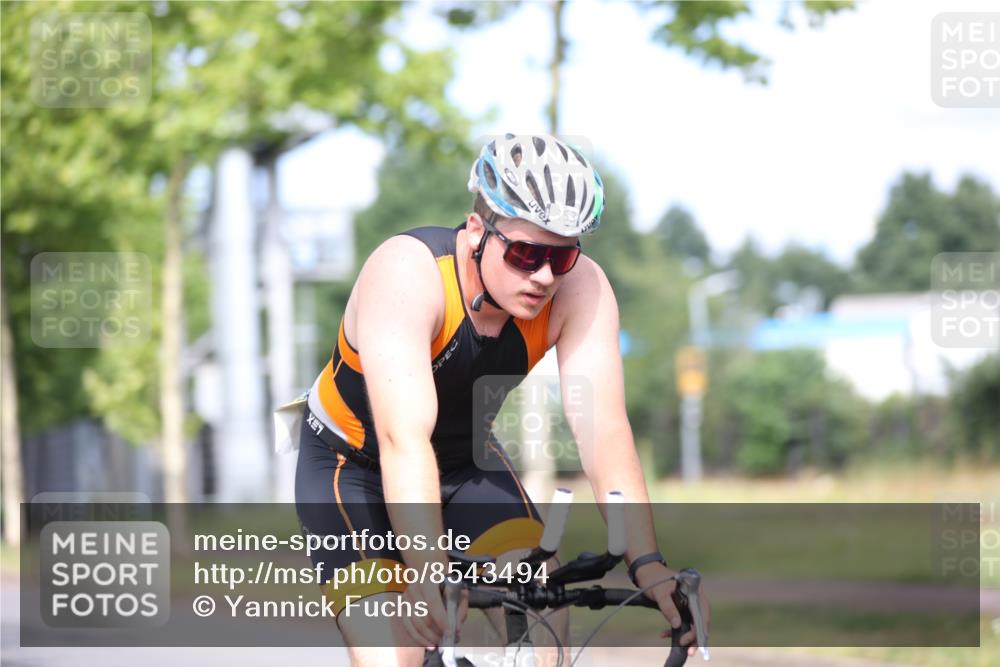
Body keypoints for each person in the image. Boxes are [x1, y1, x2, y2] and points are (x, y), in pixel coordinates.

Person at [292, 133, 710, 666]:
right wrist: (428, 572)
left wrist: (647, 564)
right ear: (476, 232)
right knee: (397, 651)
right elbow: (404, 439)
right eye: (525, 253)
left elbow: (603, 430)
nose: (544, 276)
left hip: (465, 462)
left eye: (561, 256)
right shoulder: (406, 274)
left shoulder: (581, 289)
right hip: (352, 468)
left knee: (542, 615)